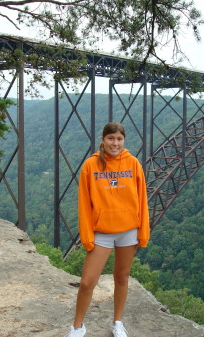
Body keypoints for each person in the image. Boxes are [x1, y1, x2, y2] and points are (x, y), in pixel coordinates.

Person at [64, 122, 150, 337]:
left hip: (128, 231)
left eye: (119, 139)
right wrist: (86, 235)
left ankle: (117, 322)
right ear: (103, 140)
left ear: (124, 140)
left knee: (122, 278)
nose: (115, 143)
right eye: (111, 138)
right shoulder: (90, 166)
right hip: (101, 232)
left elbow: (142, 200)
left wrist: (143, 232)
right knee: (86, 282)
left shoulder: (133, 163)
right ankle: (77, 327)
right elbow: (84, 203)